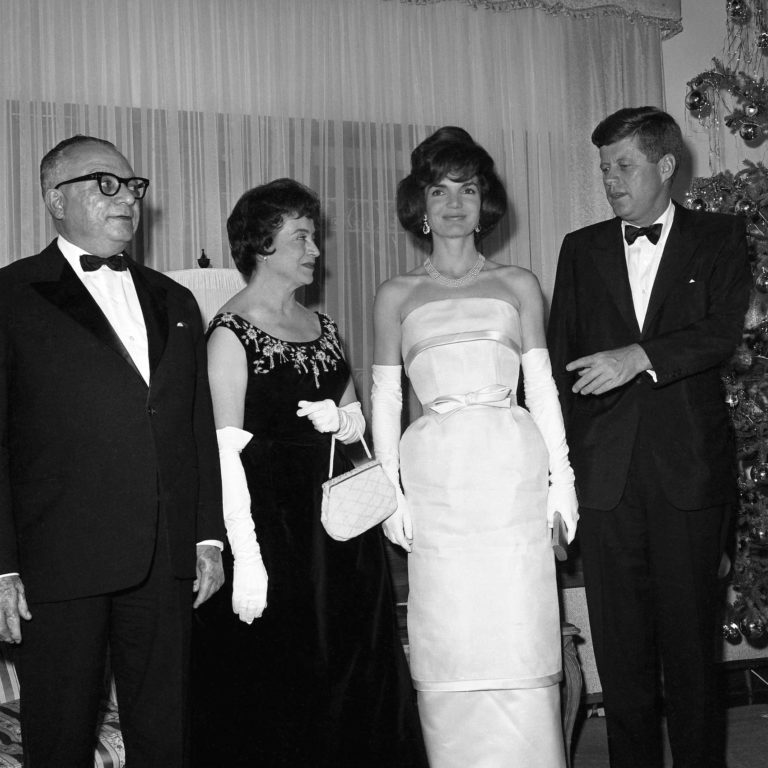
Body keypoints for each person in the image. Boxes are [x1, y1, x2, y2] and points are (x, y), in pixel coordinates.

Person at [0, 135, 225, 767]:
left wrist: (206, 537)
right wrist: (2, 566)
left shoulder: (176, 300)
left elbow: (194, 428)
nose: (125, 197)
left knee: (164, 732)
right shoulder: (11, 295)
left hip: (164, 556)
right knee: (60, 734)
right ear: (54, 198)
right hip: (58, 562)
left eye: (131, 185)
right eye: (106, 183)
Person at [190, 178, 428, 768]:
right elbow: (223, 457)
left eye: (313, 236)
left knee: (356, 668)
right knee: (286, 679)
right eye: (301, 237)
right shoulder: (228, 334)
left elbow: (356, 428)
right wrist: (245, 559)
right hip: (273, 535)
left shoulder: (323, 327)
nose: (315, 250)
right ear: (261, 245)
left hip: (341, 531)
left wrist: (347, 425)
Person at [547, 107, 752, 768]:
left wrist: (639, 355)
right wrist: (559, 481)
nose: (610, 180)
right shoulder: (580, 250)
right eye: (604, 167)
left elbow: (721, 333)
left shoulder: (719, 238)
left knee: (691, 662)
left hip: (688, 476)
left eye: (623, 165)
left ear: (665, 166)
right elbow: (557, 364)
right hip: (605, 484)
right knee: (624, 664)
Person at [372, 126, 579, 767]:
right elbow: (383, 399)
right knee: (452, 634)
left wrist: (562, 485)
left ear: (484, 200)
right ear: (420, 204)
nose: (455, 202)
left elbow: (542, 391)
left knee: (519, 631)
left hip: (512, 477)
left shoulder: (519, 284)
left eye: (468, 188)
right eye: (440, 190)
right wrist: (390, 495)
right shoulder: (396, 295)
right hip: (437, 484)